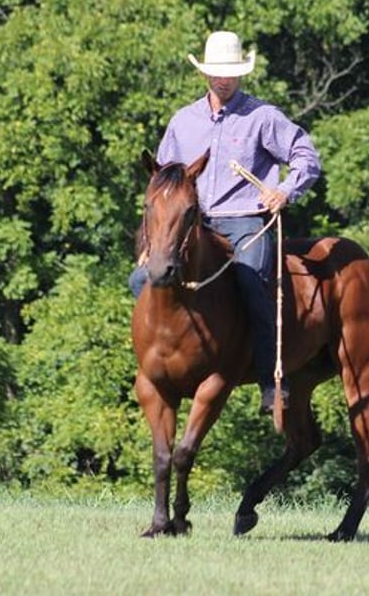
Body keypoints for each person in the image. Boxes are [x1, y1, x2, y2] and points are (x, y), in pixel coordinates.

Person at [129, 30, 321, 413]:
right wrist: (152, 244)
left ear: (241, 74)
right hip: (193, 226)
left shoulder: (262, 117)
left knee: (251, 280)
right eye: (218, 72)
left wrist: (285, 190)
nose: (224, 79)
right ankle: (164, 360)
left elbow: (306, 155)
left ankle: (270, 380)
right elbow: (162, 185)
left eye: (231, 73)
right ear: (205, 72)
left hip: (245, 220)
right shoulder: (183, 122)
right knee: (140, 280)